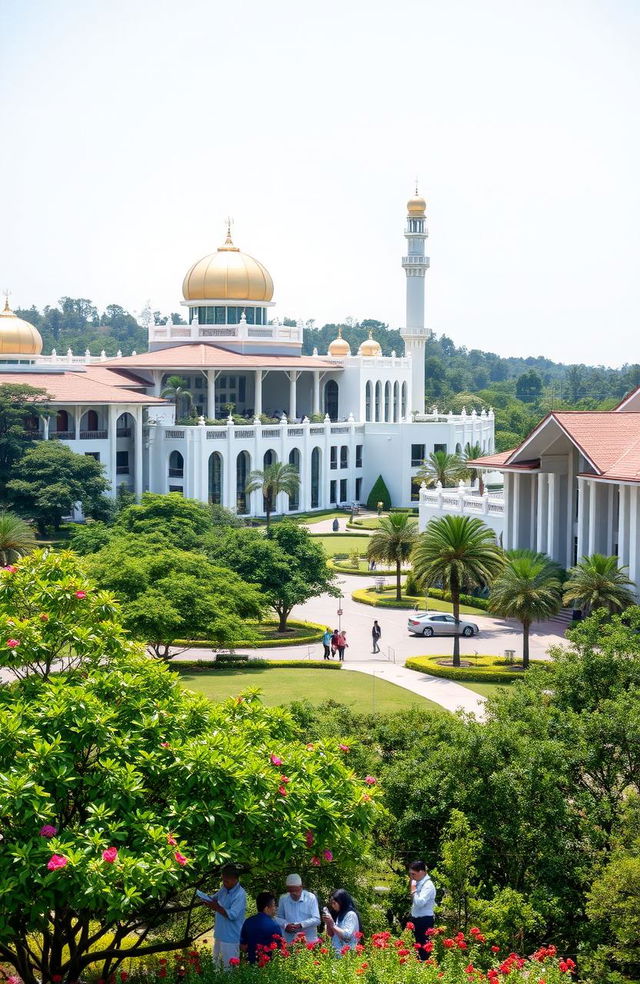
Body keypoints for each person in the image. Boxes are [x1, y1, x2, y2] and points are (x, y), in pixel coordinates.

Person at [204, 864, 247, 969]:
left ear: (235, 879)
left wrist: (216, 907)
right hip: (219, 934)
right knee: (216, 966)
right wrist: (205, 898)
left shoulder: (240, 894)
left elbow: (232, 915)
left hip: (231, 938)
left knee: (229, 969)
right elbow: (214, 898)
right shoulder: (224, 888)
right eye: (223, 880)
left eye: (226, 881)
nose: (224, 883)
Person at [276, 873, 321, 943]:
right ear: (288, 889)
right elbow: (279, 918)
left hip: (309, 941)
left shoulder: (310, 897)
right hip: (290, 941)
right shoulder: (283, 899)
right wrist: (285, 925)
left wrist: (301, 925)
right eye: (291, 891)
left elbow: (317, 920)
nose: (294, 894)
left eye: (296, 890)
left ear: (301, 887)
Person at [240, 891, 281, 964]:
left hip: (251, 964)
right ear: (266, 908)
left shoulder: (248, 922)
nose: (275, 908)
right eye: (274, 905)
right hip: (269, 966)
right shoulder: (274, 925)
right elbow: (280, 947)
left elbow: (242, 946)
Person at [408, 860, 436, 960]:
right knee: (417, 947)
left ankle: (425, 968)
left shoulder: (428, 885)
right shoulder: (419, 883)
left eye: (413, 874)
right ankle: (419, 968)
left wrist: (413, 889)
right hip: (417, 920)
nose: (411, 877)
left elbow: (420, 903)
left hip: (425, 920)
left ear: (421, 872)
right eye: (410, 874)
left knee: (424, 948)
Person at [322, 889, 361, 954]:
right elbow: (331, 934)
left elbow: (347, 936)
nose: (333, 906)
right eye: (331, 903)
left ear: (341, 902)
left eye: (334, 903)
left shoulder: (351, 915)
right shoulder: (339, 915)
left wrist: (332, 924)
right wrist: (328, 923)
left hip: (347, 956)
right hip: (337, 954)